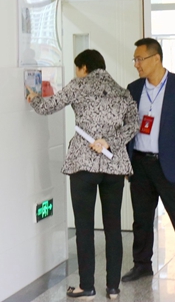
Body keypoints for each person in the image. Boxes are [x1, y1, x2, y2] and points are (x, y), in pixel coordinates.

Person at [28, 49, 138, 300]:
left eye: (77, 68)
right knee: (113, 227)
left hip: (83, 164)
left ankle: (86, 286)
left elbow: (47, 106)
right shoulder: (122, 92)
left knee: (85, 227)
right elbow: (134, 124)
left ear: (84, 68)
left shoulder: (78, 85)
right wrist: (109, 141)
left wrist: (33, 97)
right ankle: (113, 287)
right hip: (113, 166)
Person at [122, 38, 175, 293]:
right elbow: (127, 126)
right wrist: (125, 161)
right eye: (135, 60)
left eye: (140, 59)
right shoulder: (134, 88)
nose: (137, 64)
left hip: (169, 163)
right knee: (141, 219)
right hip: (140, 163)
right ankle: (142, 264)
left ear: (156, 58)